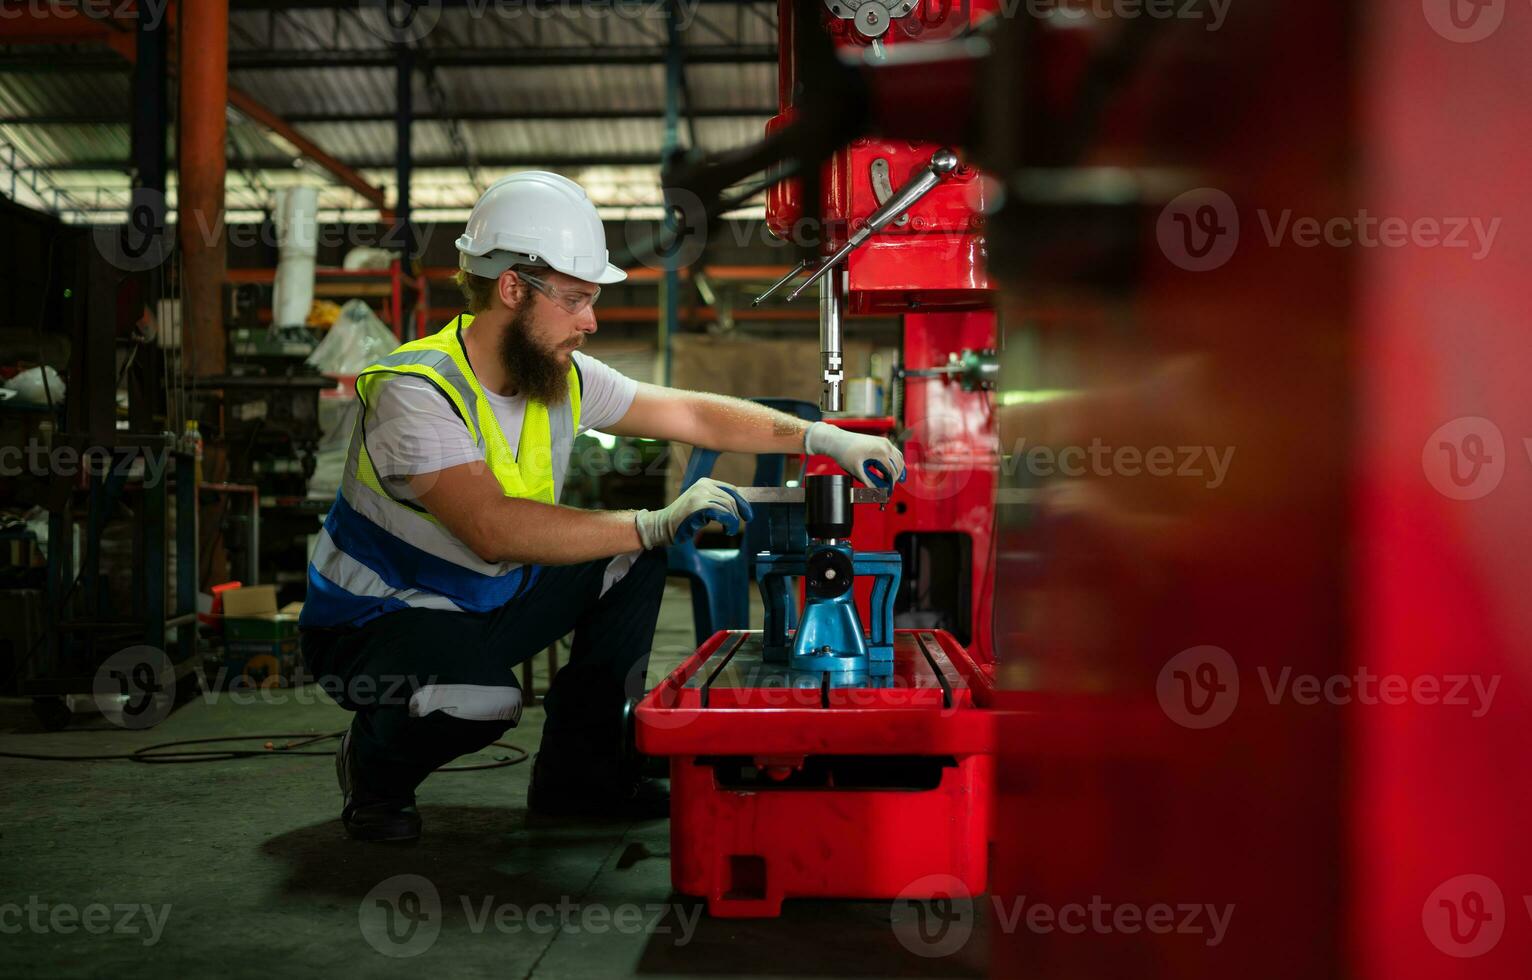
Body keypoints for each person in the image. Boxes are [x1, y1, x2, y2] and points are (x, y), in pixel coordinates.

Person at [298, 172, 905, 842]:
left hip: (485, 604)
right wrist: (655, 520)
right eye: (577, 300)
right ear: (512, 288)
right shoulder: (413, 391)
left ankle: (580, 777)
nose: (591, 320)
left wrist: (819, 435)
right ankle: (375, 770)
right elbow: (491, 528)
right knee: (479, 703)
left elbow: (686, 412)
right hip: (379, 620)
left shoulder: (558, 379)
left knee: (631, 558)